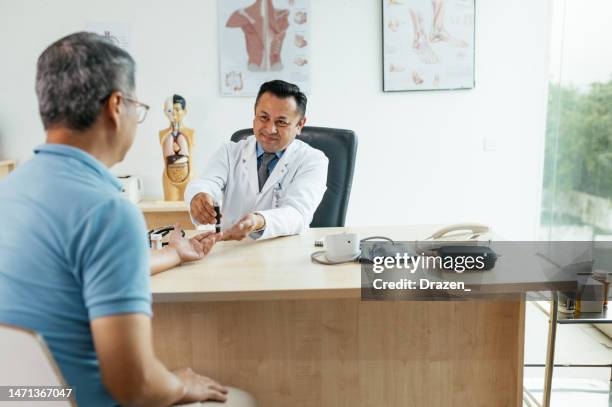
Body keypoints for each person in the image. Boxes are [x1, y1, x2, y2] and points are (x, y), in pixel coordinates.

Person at [0, 32, 229, 406]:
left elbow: (81, 271)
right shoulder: (108, 211)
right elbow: (135, 385)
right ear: (116, 105)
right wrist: (181, 384)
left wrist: (173, 253)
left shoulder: (9, 191)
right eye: (138, 108)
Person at [185, 80, 328, 241]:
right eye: (263, 117)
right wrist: (199, 196)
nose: (270, 129)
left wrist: (259, 221)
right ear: (254, 116)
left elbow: (297, 213)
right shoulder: (229, 152)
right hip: (230, 250)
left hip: (284, 254)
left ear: (300, 124)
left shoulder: (313, 161)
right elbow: (207, 182)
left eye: (281, 122)